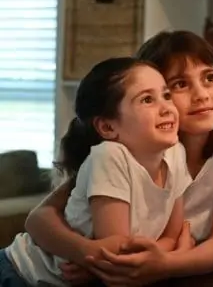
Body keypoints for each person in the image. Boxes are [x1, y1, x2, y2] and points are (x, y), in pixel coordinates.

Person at [25, 31, 213, 286]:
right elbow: (39, 218)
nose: (201, 95)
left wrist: (166, 263)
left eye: (209, 78)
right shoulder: (125, 149)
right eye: (180, 84)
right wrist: (89, 255)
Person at [0, 57, 191, 286]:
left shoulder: (176, 153)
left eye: (166, 95)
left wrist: (155, 259)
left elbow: (172, 234)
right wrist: (157, 258)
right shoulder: (109, 156)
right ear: (108, 127)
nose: (166, 108)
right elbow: (117, 255)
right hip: (22, 273)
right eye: (148, 99)